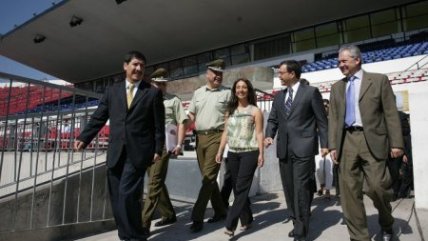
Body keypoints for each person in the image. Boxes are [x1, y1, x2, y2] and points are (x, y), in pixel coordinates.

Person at [74, 51, 165, 241]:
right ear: (125, 66)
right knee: (116, 198)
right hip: (116, 152)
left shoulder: (153, 92)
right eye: (135, 64)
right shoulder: (112, 91)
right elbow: (99, 117)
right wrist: (85, 136)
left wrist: (158, 149)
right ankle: (127, 235)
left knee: (126, 194)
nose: (139, 68)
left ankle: (136, 236)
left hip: (138, 152)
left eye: (142, 65)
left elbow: (158, 125)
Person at [328, 45, 404, 241]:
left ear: (357, 60)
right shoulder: (337, 87)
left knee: (378, 187)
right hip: (346, 141)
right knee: (349, 193)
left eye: (344, 61)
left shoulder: (379, 80)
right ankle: (359, 236)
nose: (340, 65)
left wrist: (397, 143)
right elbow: (334, 118)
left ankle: (387, 223)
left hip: (373, 140)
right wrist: (333, 146)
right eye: (339, 62)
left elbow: (390, 113)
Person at [265, 60, 328, 241]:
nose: (279, 76)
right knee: (289, 188)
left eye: (281, 73)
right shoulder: (278, 96)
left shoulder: (311, 92)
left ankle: (301, 229)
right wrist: (270, 135)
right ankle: (295, 220)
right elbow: (273, 120)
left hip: (304, 147)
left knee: (300, 187)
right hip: (284, 148)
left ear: (292, 74)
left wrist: (325, 144)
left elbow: (322, 121)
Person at [141, 68, 189, 234]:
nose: (161, 87)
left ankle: (143, 224)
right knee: (157, 180)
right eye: (158, 84)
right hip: (147, 144)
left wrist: (179, 144)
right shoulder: (145, 99)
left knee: (154, 182)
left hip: (164, 144)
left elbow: (182, 122)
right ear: (152, 83)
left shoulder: (173, 100)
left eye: (163, 84)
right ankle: (168, 214)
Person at [215, 78, 264, 237]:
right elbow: (226, 133)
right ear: (235, 91)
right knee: (237, 189)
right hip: (233, 153)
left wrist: (262, 153)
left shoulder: (255, 111)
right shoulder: (230, 111)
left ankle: (230, 224)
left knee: (242, 187)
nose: (241, 90)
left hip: (250, 152)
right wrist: (220, 150)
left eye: (244, 87)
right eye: (238, 87)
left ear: (248, 90)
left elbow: (259, 133)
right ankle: (248, 219)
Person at [187, 59, 230, 233]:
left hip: (217, 137)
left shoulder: (228, 93)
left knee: (208, 178)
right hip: (199, 138)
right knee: (209, 178)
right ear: (208, 74)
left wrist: (224, 142)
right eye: (215, 73)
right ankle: (221, 211)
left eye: (221, 73)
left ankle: (197, 217)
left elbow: (229, 119)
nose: (218, 76)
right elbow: (191, 115)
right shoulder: (198, 93)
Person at [315, 99, 333, 199]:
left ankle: (328, 190)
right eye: (323, 106)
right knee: (319, 168)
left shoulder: (332, 119)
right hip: (318, 144)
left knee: (328, 168)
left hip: (330, 145)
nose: (324, 107)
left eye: (326, 106)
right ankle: (322, 185)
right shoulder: (316, 117)